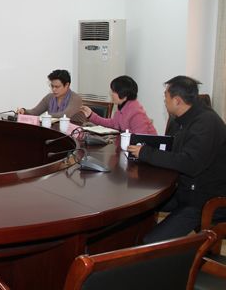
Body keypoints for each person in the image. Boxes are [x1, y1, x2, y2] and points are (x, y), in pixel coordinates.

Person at [127, 76, 226, 243]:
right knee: (136, 205)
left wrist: (147, 153)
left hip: (205, 198)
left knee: (152, 241)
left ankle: (173, 254)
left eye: (165, 96)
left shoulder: (206, 123)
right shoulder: (181, 119)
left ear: (177, 100)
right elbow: (172, 149)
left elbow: (189, 163)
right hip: (183, 188)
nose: (164, 101)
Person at [80, 75, 157, 134]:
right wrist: (91, 115)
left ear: (123, 94)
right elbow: (112, 123)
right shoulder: (123, 107)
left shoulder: (136, 113)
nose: (111, 94)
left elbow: (139, 140)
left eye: (114, 91)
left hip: (147, 149)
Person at [17, 69, 82, 118]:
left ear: (67, 85)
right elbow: (35, 112)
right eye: (52, 86)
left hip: (72, 131)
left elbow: (65, 115)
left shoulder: (75, 98)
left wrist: (46, 116)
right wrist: (24, 111)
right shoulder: (49, 97)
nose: (53, 89)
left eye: (57, 87)